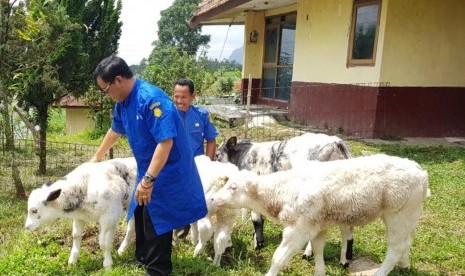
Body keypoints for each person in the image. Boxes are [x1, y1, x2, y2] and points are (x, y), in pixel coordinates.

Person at [90, 55, 207, 276]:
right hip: (149, 168)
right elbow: (116, 130)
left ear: (118, 81)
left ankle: (158, 270)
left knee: (157, 220)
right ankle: (143, 259)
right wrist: (97, 157)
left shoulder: (151, 100)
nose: (106, 95)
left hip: (168, 170)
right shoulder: (123, 102)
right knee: (141, 212)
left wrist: (148, 181)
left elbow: (165, 143)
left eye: (105, 89)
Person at [172, 79, 218, 160]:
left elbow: (211, 140)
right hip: (173, 165)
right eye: (176, 96)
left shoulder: (202, 115)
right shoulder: (167, 115)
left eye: (183, 97)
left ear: (192, 96)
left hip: (196, 164)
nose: (179, 101)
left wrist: (207, 164)